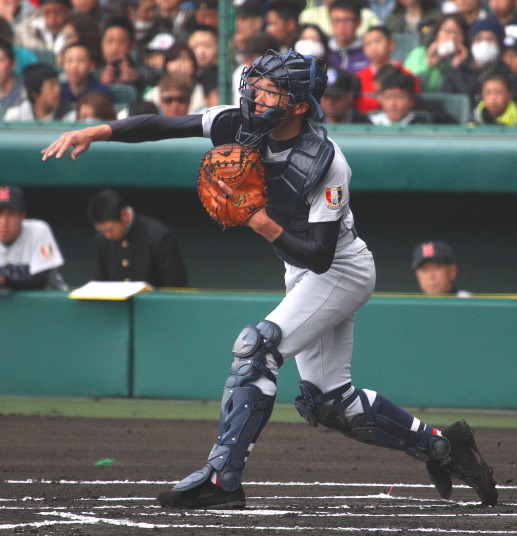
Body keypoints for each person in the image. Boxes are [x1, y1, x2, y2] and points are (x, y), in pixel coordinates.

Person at [41, 48, 498, 509]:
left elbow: (320, 257)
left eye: (270, 91)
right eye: (256, 86)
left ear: (297, 105)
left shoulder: (326, 161)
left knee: (256, 349)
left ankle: (222, 478)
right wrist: (97, 131)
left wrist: (257, 220)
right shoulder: (240, 123)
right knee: (328, 402)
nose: (256, 97)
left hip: (340, 268)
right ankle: (443, 447)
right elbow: (164, 125)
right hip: (301, 269)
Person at [86, 189, 188, 287]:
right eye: (102, 231)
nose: (107, 236)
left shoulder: (157, 236)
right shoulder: (101, 240)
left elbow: (175, 286)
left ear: (124, 215)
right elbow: (102, 279)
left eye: (110, 229)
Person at [0, 184, 67, 290]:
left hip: (48, 298)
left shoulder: (39, 230)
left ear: (22, 215)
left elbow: (41, 281)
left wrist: (4, 281)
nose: (4, 222)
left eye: (11, 214)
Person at [441, 17, 513, 108]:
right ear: (471, 43)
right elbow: (445, 105)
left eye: (490, 39)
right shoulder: (456, 74)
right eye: (478, 39)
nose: (484, 43)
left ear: (499, 44)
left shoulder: (508, 75)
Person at [355, 25, 420, 113]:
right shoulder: (358, 78)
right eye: (368, 44)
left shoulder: (406, 75)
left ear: (391, 44)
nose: (373, 47)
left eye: (377, 41)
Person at [403, 13, 469, 92]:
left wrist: (459, 68)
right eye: (448, 31)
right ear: (436, 34)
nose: (452, 37)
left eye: (458, 33)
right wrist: (428, 64)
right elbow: (407, 83)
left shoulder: (466, 58)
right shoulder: (419, 54)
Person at [4, 62, 69, 121]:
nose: (57, 90)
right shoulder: (14, 116)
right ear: (34, 94)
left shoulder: (68, 116)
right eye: (51, 86)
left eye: (57, 84)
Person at [327, 0, 370, 73]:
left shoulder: (368, 52)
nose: (342, 26)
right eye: (336, 20)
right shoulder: (324, 52)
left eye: (348, 20)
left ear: (358, 22)